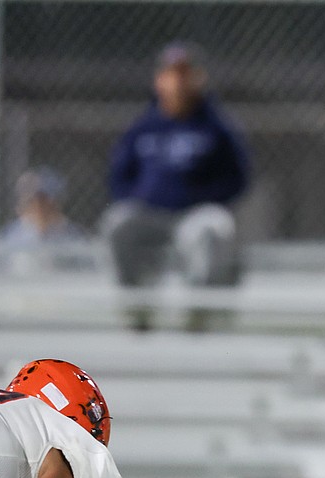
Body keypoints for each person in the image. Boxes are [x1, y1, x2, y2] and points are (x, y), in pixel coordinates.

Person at [101, 41, 250, 332]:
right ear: (159, 80)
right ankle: (137, 310)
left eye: (184, 74)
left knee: (213, 227)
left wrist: (202, 197)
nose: (177, 82)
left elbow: (238, 177)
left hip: (194, 214)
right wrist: (142, 196)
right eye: (170, 74)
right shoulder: (144, 126)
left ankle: (198, 314)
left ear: (198, 78)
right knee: (117, 223)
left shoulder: (215, 126)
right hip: (150, 213)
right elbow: (118, 176)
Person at [0, 167, 86, 249]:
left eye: (44, 200)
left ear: (56, 203)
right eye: (32, 201)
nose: (38, 207)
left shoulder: (72, 235)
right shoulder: (12, 235)